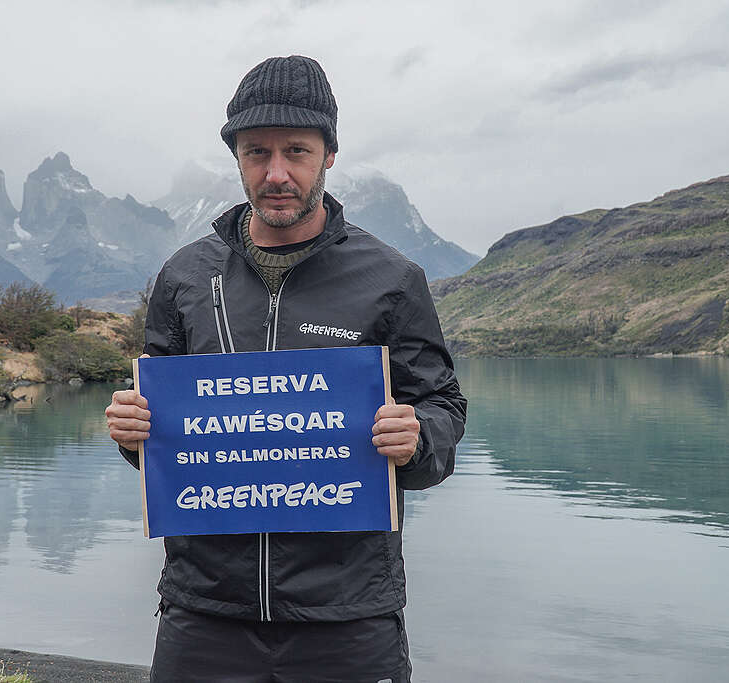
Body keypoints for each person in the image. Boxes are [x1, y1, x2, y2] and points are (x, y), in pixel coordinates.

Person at [105, 55, 467, 682]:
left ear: (329, 154)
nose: (276, 173)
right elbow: (162, 432)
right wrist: (133, 432)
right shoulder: (183, 276)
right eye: (256, 152)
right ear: (237, 157)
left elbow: (443, 406)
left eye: (296, 151)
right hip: (205, 610)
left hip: (348, 615)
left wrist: (419, 438)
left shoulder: (392, 278)